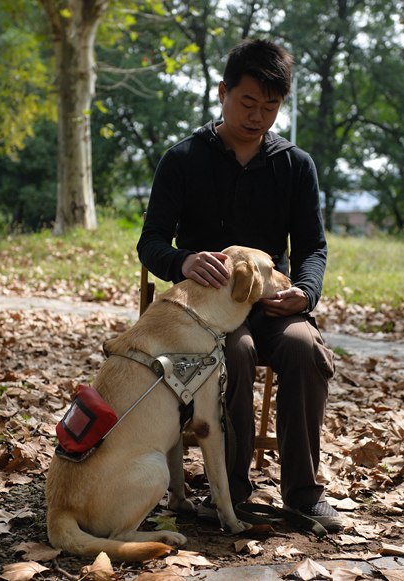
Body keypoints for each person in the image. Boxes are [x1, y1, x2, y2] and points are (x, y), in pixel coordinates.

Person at [136, 39, 344, 531]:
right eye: (247, 102)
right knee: (237, 351)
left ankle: (303, 494)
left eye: (270, 107)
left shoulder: (294, 165)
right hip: (207, 313)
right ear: (223, 92)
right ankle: (229, 491)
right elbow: (150, 244)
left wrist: (305, 292)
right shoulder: (183, 159)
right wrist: (184, 261)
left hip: (272, 303)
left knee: (304, 347)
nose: (257, 117)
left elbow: (313, 248)